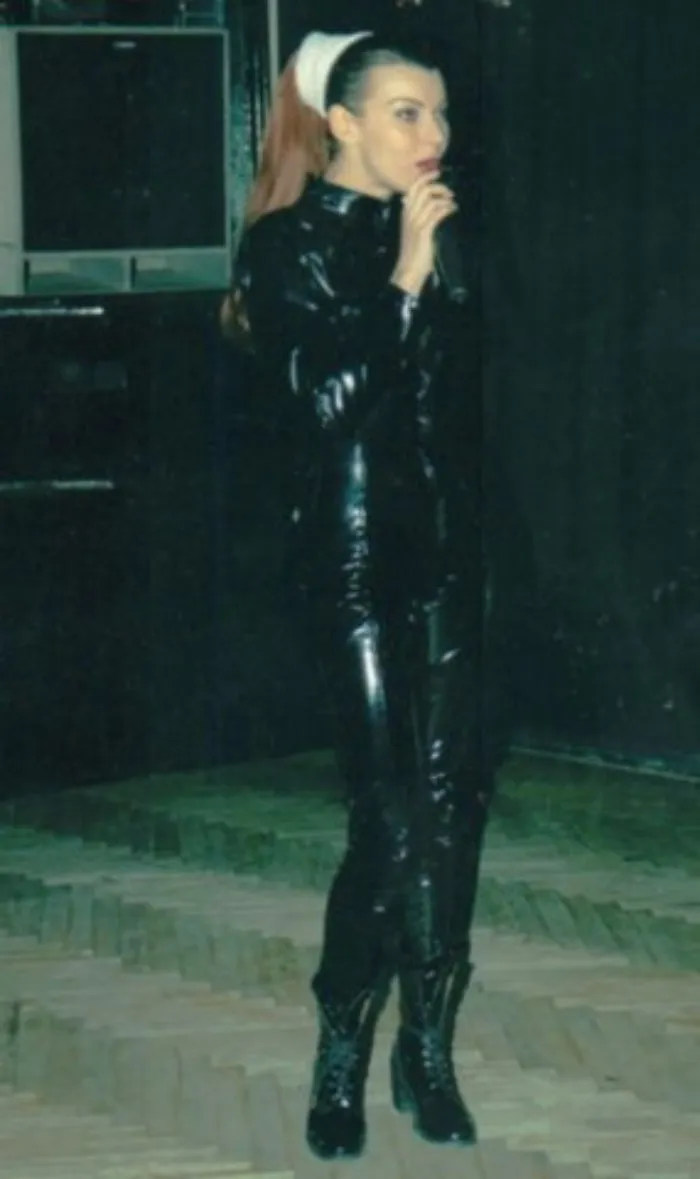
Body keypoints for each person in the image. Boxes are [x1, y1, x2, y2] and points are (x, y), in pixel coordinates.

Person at [222, 27, 496, 1162]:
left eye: (440, 112)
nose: (435, 135)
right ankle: (342, 1043)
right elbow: (330, 403)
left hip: (451, 561)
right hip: (349, 564)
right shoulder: (284, 246)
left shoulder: (435, 232)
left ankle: (425, 1049)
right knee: (387, 824)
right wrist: (406, 278)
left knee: (450, 815)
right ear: (341, 123)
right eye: (405, 113)